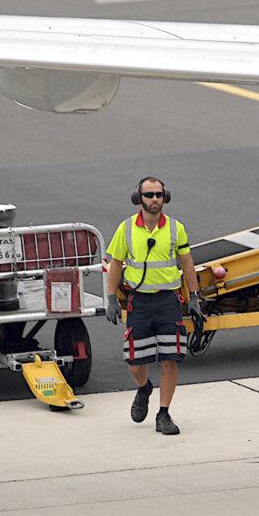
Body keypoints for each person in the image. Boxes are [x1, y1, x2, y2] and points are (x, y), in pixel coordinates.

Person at [104, 176, 203, 436]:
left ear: (165, 197)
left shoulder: (175, 228)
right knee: (135, 362)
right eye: (149, 195)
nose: (155, 199)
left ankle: (164, 414)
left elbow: (187, 262)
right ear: (139, 198)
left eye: (159, 194)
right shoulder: (126, 228)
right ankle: (144, 387)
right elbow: (116, 263)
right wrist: (111, 298)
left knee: (170, 359)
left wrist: (194, 297)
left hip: (168, 302)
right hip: (139, 302)